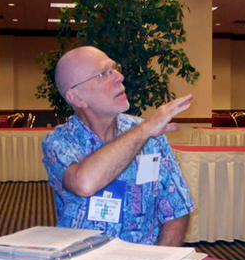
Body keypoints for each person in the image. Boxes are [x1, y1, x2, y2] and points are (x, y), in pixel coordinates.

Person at [42, 46, 195, 246]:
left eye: (114, 69)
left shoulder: (151, 135)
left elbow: (177, 209)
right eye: (104, 74)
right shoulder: (60, 142)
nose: (119, 77)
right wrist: (146, 128)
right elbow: (83, 183)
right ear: (77, 97)